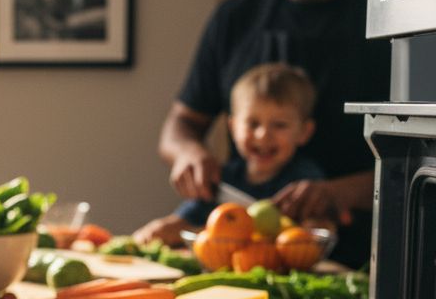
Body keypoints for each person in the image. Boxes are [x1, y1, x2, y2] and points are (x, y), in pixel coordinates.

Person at [137, 0, 388, 267]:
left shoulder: (385, 23)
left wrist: (342, 192)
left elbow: (424, 158)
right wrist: (188, 153)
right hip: (243, 257)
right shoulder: (236, 18)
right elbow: (180, 126)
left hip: (359, 257)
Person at [136, 63, 324, 241]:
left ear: (304, 132)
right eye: (253, 123)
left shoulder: (305, 181)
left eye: (280, 125)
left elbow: (314, 229)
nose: (263, 135)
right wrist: (164, 228)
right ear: (233, 128)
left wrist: (311, 230)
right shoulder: (224, 177)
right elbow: (188, 217)